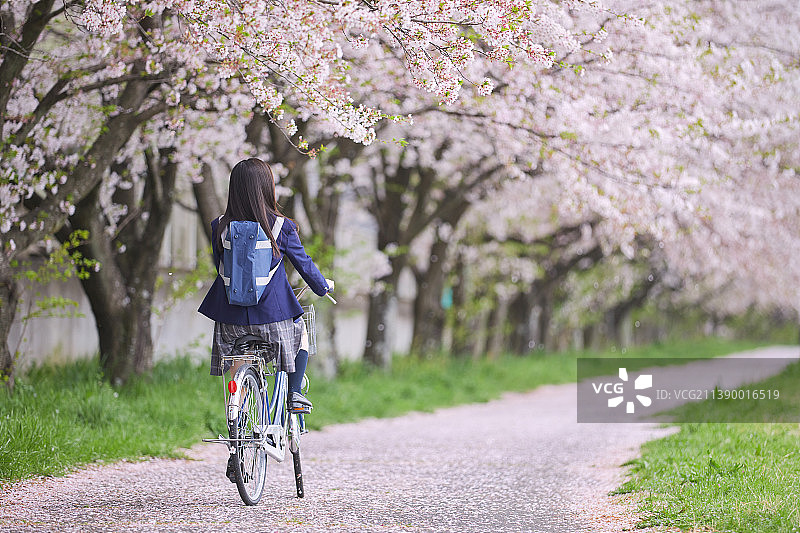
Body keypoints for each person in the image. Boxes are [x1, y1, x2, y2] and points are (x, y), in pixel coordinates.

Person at [198, 157, 331, 416]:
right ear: (267, 187)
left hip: (229, 322)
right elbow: (304, 264)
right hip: (272, 320)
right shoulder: (282, 226)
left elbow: (221, 267)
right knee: (301, 329)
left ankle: (237, 417)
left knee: (240, 361)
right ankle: (294, 394)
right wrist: (322, 287)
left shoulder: (219, 226)